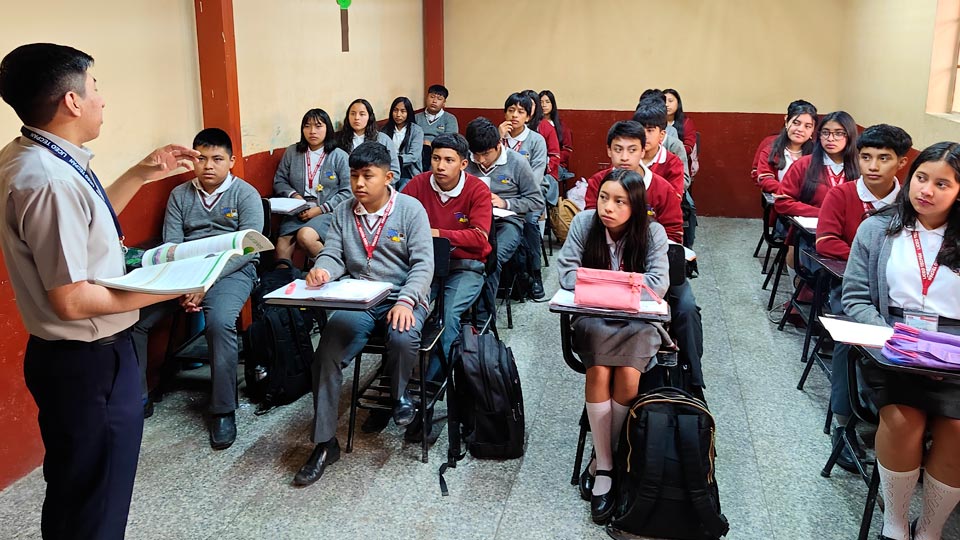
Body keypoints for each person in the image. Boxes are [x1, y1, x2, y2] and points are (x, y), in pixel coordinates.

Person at [0, 43, 199, 539]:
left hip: (72, 362)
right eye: (95, 87)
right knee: (98, 503)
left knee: (75, 488)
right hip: (91, 363)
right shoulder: (47, 180)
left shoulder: (35, 154)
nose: (101, 99)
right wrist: (173, 286)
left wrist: (142, 172)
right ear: (71, 101)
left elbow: (85, 222)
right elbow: (70, 300)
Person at [293, 142, 434, 487]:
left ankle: (399, 396)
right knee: (326, 354)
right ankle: (325, 442)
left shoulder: (410, 210)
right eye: (354, 176)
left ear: (387, 177)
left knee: (402, 336)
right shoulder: (344, 211)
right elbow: (334, 254)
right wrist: (322, 269)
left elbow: (423, 264)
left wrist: (407, 300)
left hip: (403, 295)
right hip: (360, 297)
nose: (358, 183)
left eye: (367, 176)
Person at [842, 142, 960, 540]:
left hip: (954, 351)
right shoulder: (878, 228)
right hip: (892, 345)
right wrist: (892, 342)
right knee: (902, 418)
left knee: (957, 428)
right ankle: (894, 525)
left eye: (942, 183)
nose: (925, 190)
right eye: (921, 178)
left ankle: (929, 529)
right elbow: (855, 297)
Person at [132, 127, 263, 450]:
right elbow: (172, 246)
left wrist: (206, 283)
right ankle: (139, 396)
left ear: (231, 161)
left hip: (233, 272)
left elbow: (250, 250)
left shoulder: (245, 195)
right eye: (201, 158)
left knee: (219, 323)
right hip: (183, 274)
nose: (208, 166)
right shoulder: (180, 195)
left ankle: (223, 409)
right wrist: (188, 282)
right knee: (133, 320)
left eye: (217, 159)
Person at [556, 168, 670, 524]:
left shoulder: (652, 232)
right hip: (592, 317)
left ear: (635, 206)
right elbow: (567, 274)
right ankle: (605, 464)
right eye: (604, 197)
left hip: (638, 321)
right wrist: (624, 285)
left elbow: (657, 284)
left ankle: (613, 448)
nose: (608, 207)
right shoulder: (584, 224)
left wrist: (600, 282)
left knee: (628, 376)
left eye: (620, 201)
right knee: (600, 367)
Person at [583, 121, 705, 400]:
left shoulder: (660, 188)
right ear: (608, 151)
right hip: (609, 273)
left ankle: (691, 379)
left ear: (644, 150)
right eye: (618, 150)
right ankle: (607, 366)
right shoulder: (598, 184)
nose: (624, 157)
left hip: (654, 270)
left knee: (686, 307)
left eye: (632, 150)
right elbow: (590, 228)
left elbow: (675, 233)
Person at [401, 133, 491, 439]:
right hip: (425, 268)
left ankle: (427, 397)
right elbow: (399, 225)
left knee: (448, 318)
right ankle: (404, 391)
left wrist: (435, 232)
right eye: (436, 158)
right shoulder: (416, 186)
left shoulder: (477, 189)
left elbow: (480, 238)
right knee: (408, 313)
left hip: (465, 268)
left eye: (449, 160)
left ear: (464, 164)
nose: (440, 166)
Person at [464, 117, 543, 319]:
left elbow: (536, 202)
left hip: (507, 222)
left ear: (498, 144)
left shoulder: (517, 162)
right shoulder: (466, 162)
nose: (480, 160)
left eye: (485, 154)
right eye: (476, 155)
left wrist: (506, 203)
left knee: (491, 256)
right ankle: (461, 309)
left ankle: (483, 317)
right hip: (472, 221)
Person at [273, 108, 351, 261]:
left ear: (327, 128)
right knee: (281, 245)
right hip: (297, 210)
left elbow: (348, 191)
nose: (312, 131)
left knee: (305, 236)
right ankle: (286, 280)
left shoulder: (339, 156)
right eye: (307, 126)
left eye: (318, 126)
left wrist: (320, 209)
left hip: (327, 211)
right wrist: (294, 196)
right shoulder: (292, 152)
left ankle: (333, 268)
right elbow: (279, 180)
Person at [500, 92, 549, 299]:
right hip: (501, 195)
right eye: (511, 110)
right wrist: (499, 137)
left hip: (531, 194)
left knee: (529, 222)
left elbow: (536, 178)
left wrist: (513, 200)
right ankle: (507, 274)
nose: (515, 115)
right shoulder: (497, 139)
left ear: (528, 117)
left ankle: (534, 273)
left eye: (520, 112)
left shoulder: (536, 140)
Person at [752, 100, 818, 194]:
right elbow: (762, 177)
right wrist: (786, 192)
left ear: (813, 129)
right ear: (787, 121)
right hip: (780, 202)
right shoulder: (770, 149)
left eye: (808, 126)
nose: (800, 129)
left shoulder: (818, 154)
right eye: (796, 123)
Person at [633, 98, 686, 197]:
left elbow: (673, 200)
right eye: (640, 129)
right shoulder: (627, 157)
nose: (644, 135)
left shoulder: (673, 163)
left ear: (661, 135)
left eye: (650, 130)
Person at [336, 98, 401, 177]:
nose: (356, 118)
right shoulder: (340, 140)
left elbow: (395, 171)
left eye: (362, 114)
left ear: (369, 117)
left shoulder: (383, 139)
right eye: (352, 114)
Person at [382, 96, 425, 191]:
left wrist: (396, 159)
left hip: (408, 170)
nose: (398, 115)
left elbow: (414, 156)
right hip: (390, 168)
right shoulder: (385, 130)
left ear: (408, 113)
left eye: (403, 111)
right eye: (395, 110)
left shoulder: (416, 130)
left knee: (403, 191)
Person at [415, 84, 459, 171]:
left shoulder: (450, 119)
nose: (434, 101)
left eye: (439, 99)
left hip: (440, 153)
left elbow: (451, 141)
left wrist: (431, 145)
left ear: (444, 102)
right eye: (432, 97)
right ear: (426, 97)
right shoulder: (416, 117)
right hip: (418, 152)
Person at [539, 89, 574, 182]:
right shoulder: (535, 125)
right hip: (538, 162)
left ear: (552, 104)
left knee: (548, 178)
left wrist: (553, 160)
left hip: (557, 164)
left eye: (547, 102)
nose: (544, 105)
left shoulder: (560, 125)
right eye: (541, 102)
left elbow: (567, 150)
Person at [663, 88, 697, 161]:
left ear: (678, 103)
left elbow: (689, 147)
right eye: (664, 101)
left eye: (670, 101)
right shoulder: (656, 122)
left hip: (679, 160)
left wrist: (673, 152)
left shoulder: (686, 122)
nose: (666, 105)